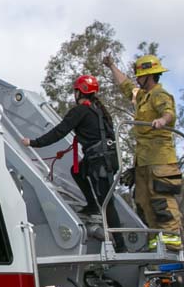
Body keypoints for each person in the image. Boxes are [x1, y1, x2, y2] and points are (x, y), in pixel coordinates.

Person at [104, 53, 183, 250]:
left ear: (149, 75)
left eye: (139, 76)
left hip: (160, 160)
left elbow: (169, 113)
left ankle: (172, 239)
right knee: (143, 200)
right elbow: (126, 86)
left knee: (161, 199)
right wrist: (111, 65)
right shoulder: (141, 96)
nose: (137, 79)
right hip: (143, 161)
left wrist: (162, 121)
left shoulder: (159, 95)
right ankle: (156, 241)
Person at [21, 75, 119, 215]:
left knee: (107, 204)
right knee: (77, 170)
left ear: (79, 92)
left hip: (99, 161)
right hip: (106, 158)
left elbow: (59, 132)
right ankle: (92, 205)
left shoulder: (80, 111)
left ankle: (117, 237)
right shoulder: (99, 111)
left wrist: (34, 143)